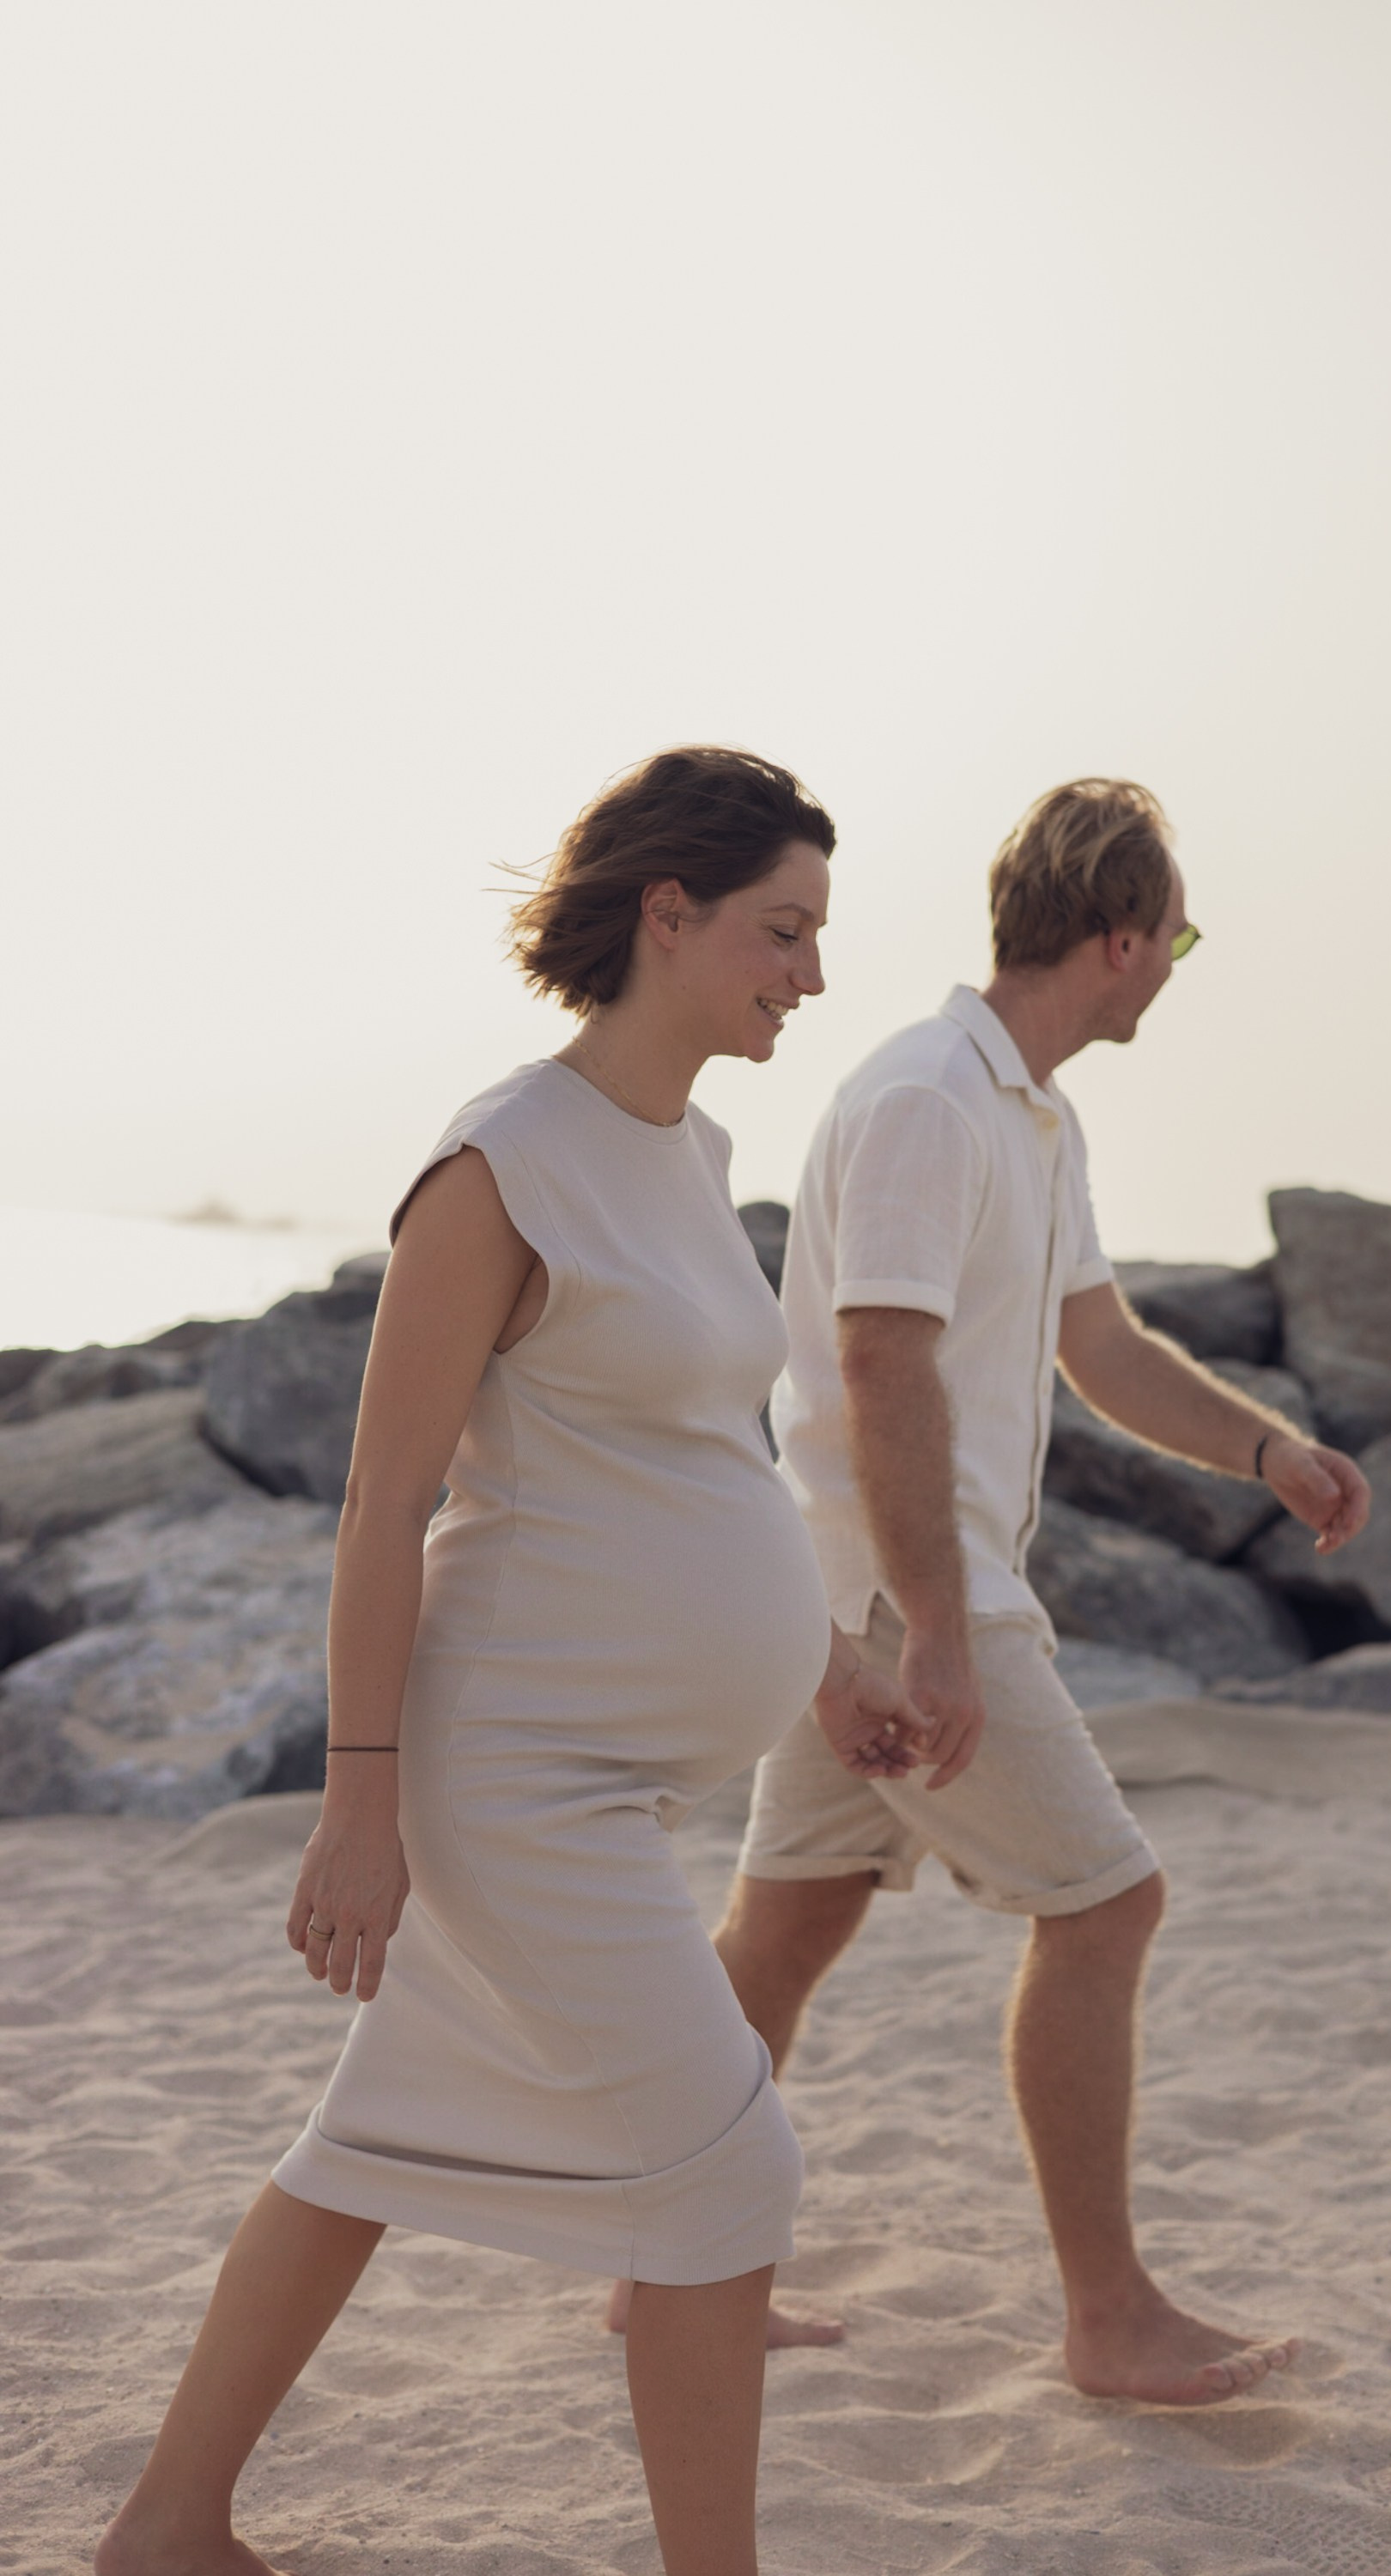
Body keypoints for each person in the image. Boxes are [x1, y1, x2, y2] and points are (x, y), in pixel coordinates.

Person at [95, 745, 926, 2576]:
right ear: (669, 911)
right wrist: (359, 1811)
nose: (808, 972)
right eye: (784, 931)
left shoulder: (690, 1154)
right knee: (730, 2173)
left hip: (610, 1777)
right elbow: (384, 1503)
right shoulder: (498, 1168)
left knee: (370, 2145)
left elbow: (694, 1466)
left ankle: (166, 2529)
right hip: (511, 1777)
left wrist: (814, 1671)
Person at [667, 776, 1374, 2406]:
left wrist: (1269, 1451)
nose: (1177, 966)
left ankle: (666, 2271)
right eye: (1176, 936)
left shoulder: (1031, 1110)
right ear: (1119, 938)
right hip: (905, 1593)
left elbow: (1102, 1345)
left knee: (783, 1931)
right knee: (1106, 1902)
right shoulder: (927, 1098)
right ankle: (1108, 2315)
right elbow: (878, 1357)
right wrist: (934, 1628)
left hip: (865, 1589)